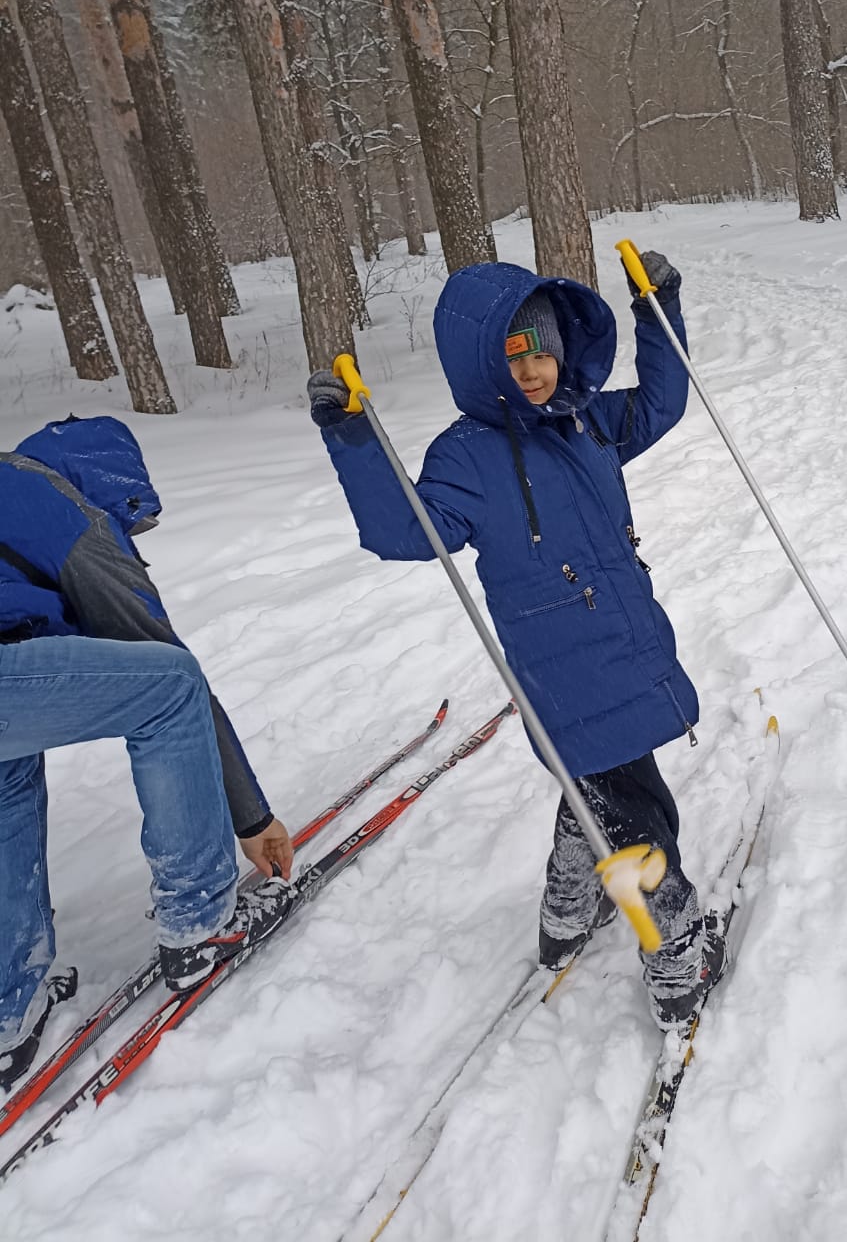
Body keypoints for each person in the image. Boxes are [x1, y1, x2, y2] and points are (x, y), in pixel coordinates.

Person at [307, 251, 724, 1029]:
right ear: (479, 365)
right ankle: (675, 953)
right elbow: (406, 531)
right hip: (559, 667)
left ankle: (568, 910)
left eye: (540, 350)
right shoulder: (466, 455)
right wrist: (351, 433)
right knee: (635, 817)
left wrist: (656, 307)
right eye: (511, 357)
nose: (531, 370)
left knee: (602, 787)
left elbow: (663, 405)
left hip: (627, 640)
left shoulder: (585, 420)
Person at [0, 416, 295, 1094]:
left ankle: (9, 1010)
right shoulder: (60, 505)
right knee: (169, 686)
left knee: (7, 775)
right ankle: (199, 921)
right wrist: (251, 816)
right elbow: (155, 647)